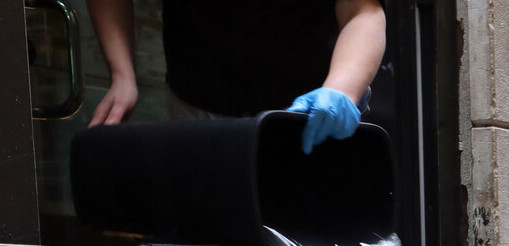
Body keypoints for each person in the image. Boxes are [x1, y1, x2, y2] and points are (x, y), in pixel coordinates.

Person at [85, 0, 386, 154]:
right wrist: (122, 75)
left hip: (309, 112)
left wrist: (340, 91)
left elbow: (363, 11)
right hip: (196, 106)